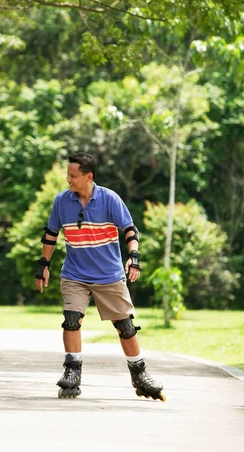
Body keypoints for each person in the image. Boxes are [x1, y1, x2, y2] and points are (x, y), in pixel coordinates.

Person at [35, 152, 165, 401]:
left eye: (73, 176)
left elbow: (130, 229)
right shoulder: (62, 201)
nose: (68, 179)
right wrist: (43, 265)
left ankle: (140, 374)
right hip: (74, 273)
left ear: (88, 176)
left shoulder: (109, 199)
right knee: (71, 319)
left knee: (125, 325)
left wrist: (134, 257)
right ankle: (72, 372)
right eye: (68, 174)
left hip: (109, 275)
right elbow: (51, 234)